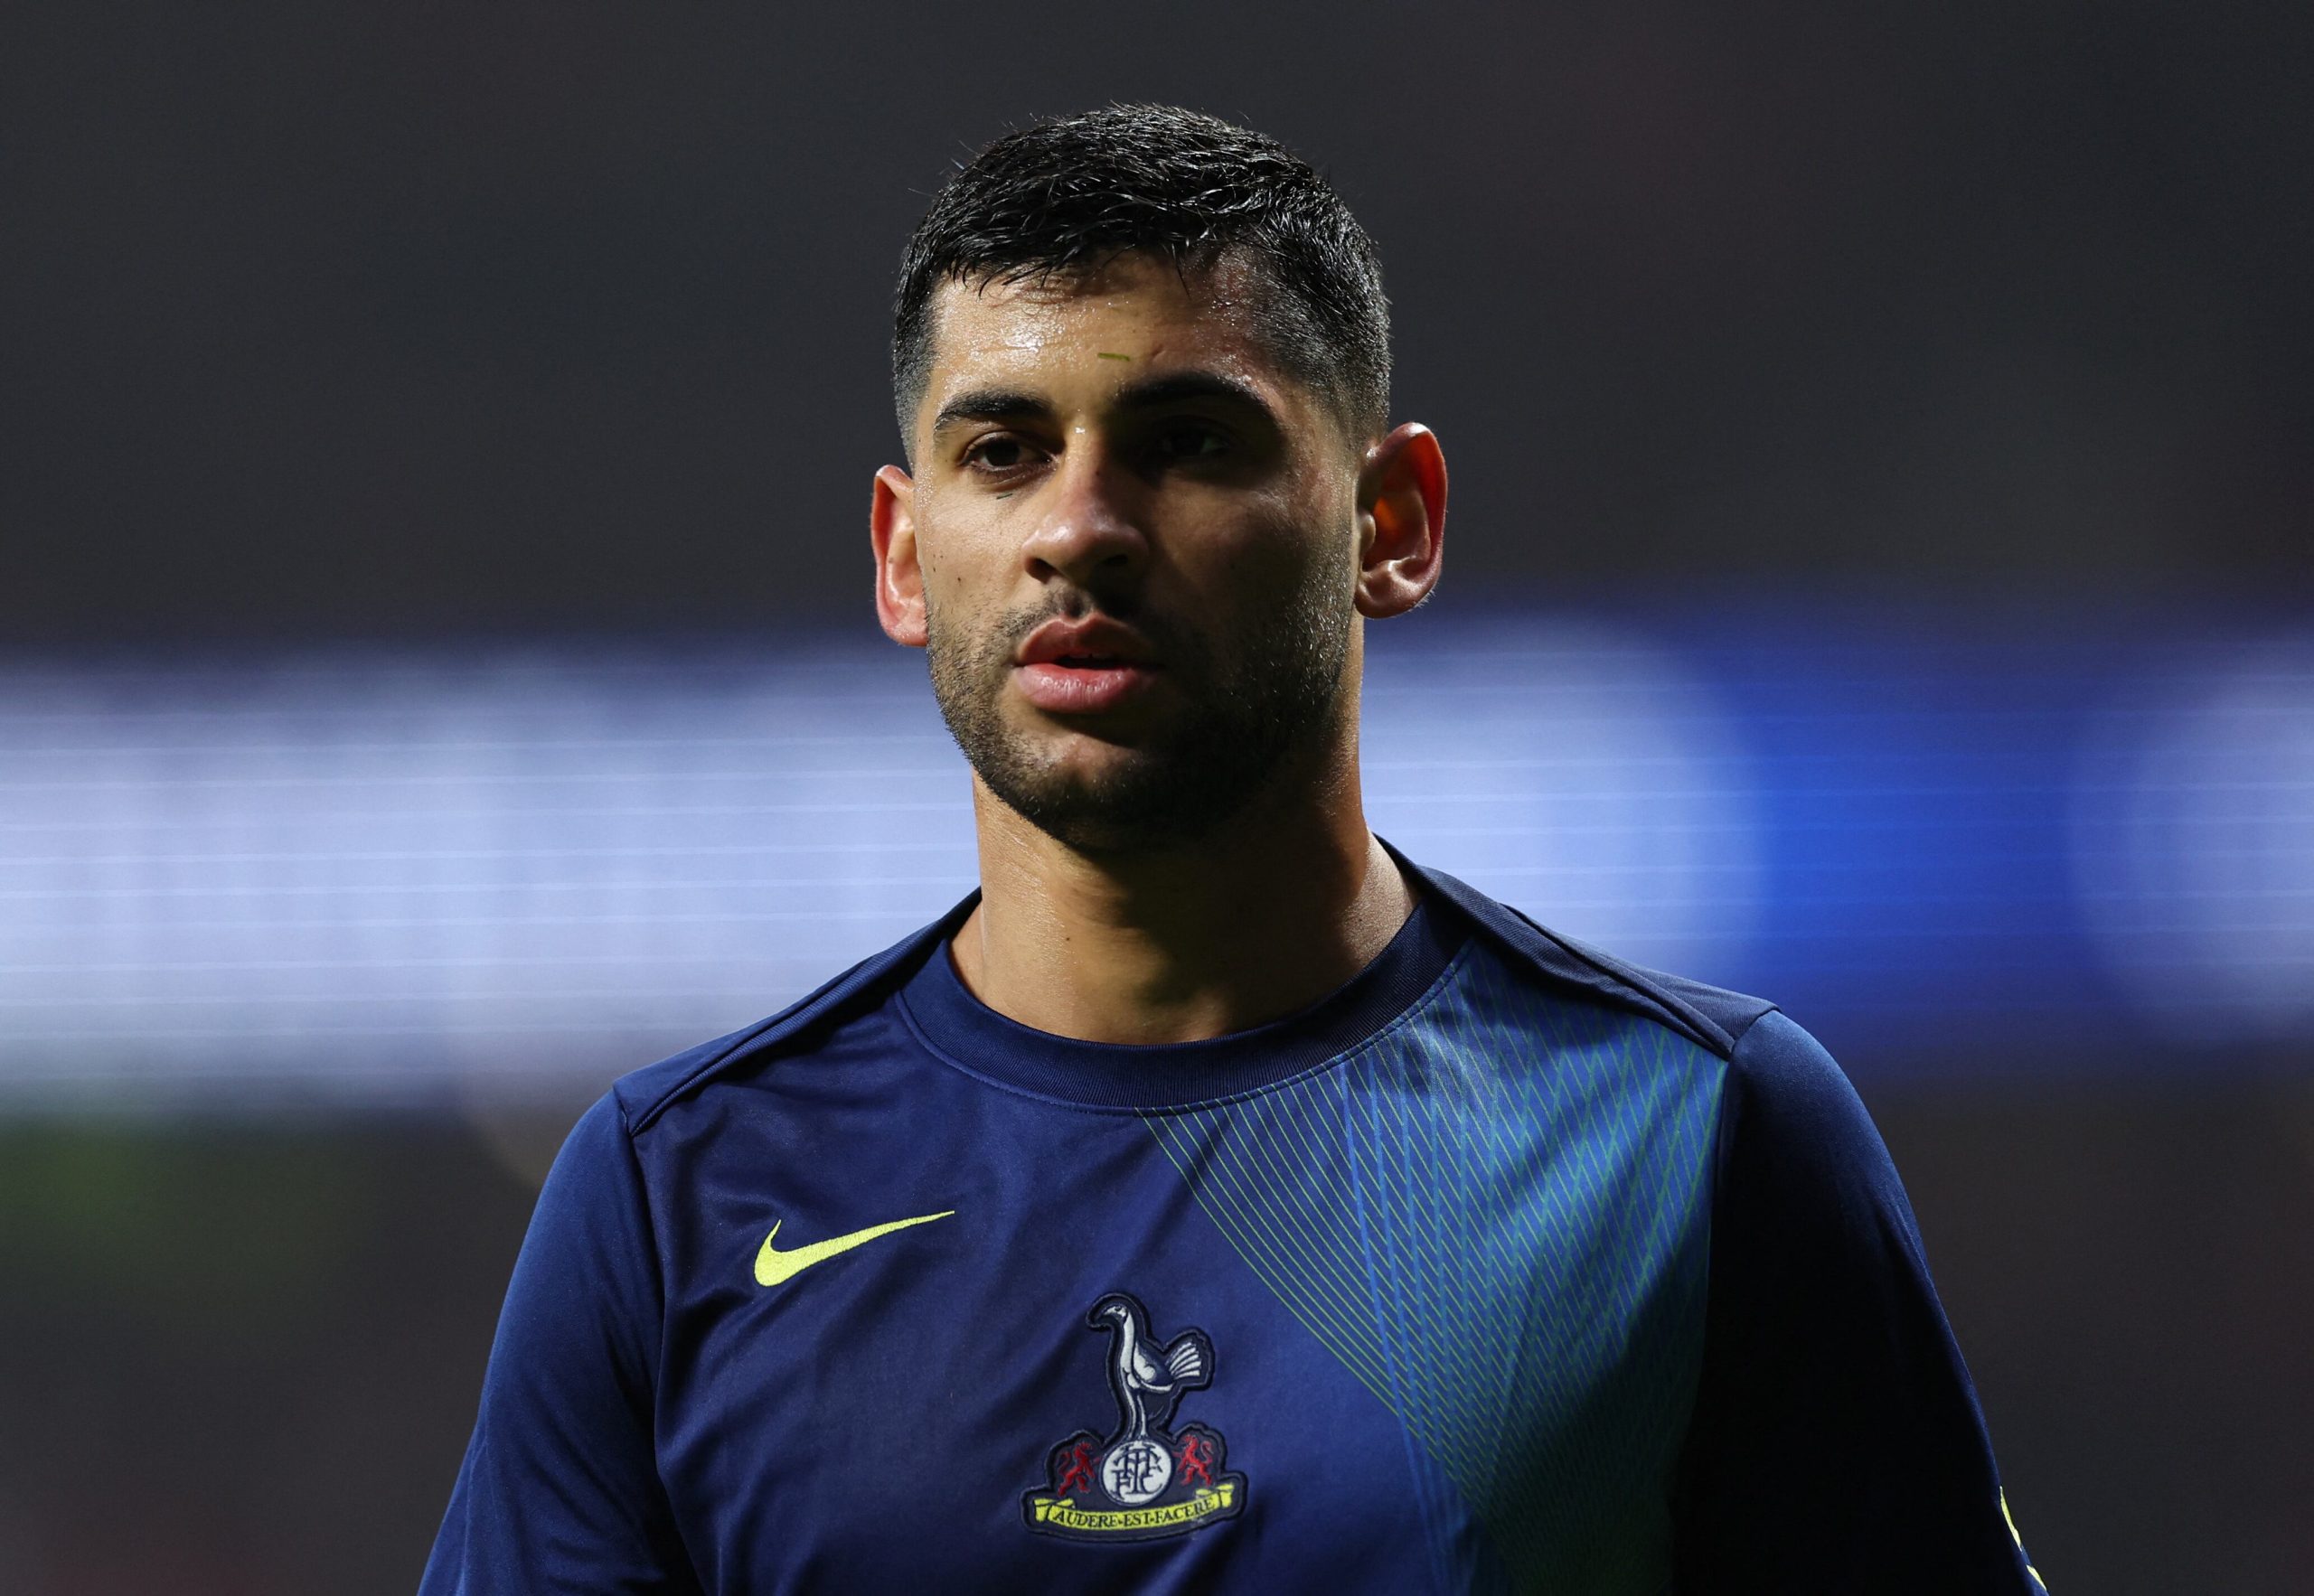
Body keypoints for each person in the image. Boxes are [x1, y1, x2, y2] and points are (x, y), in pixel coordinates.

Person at [422, 105, 2047, 1594]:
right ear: (907, 557)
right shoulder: (675, 1196)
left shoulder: (1695, 1134)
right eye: (1004, 452)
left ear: (1390, 522)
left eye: (1190, 440)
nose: (1080, 527)